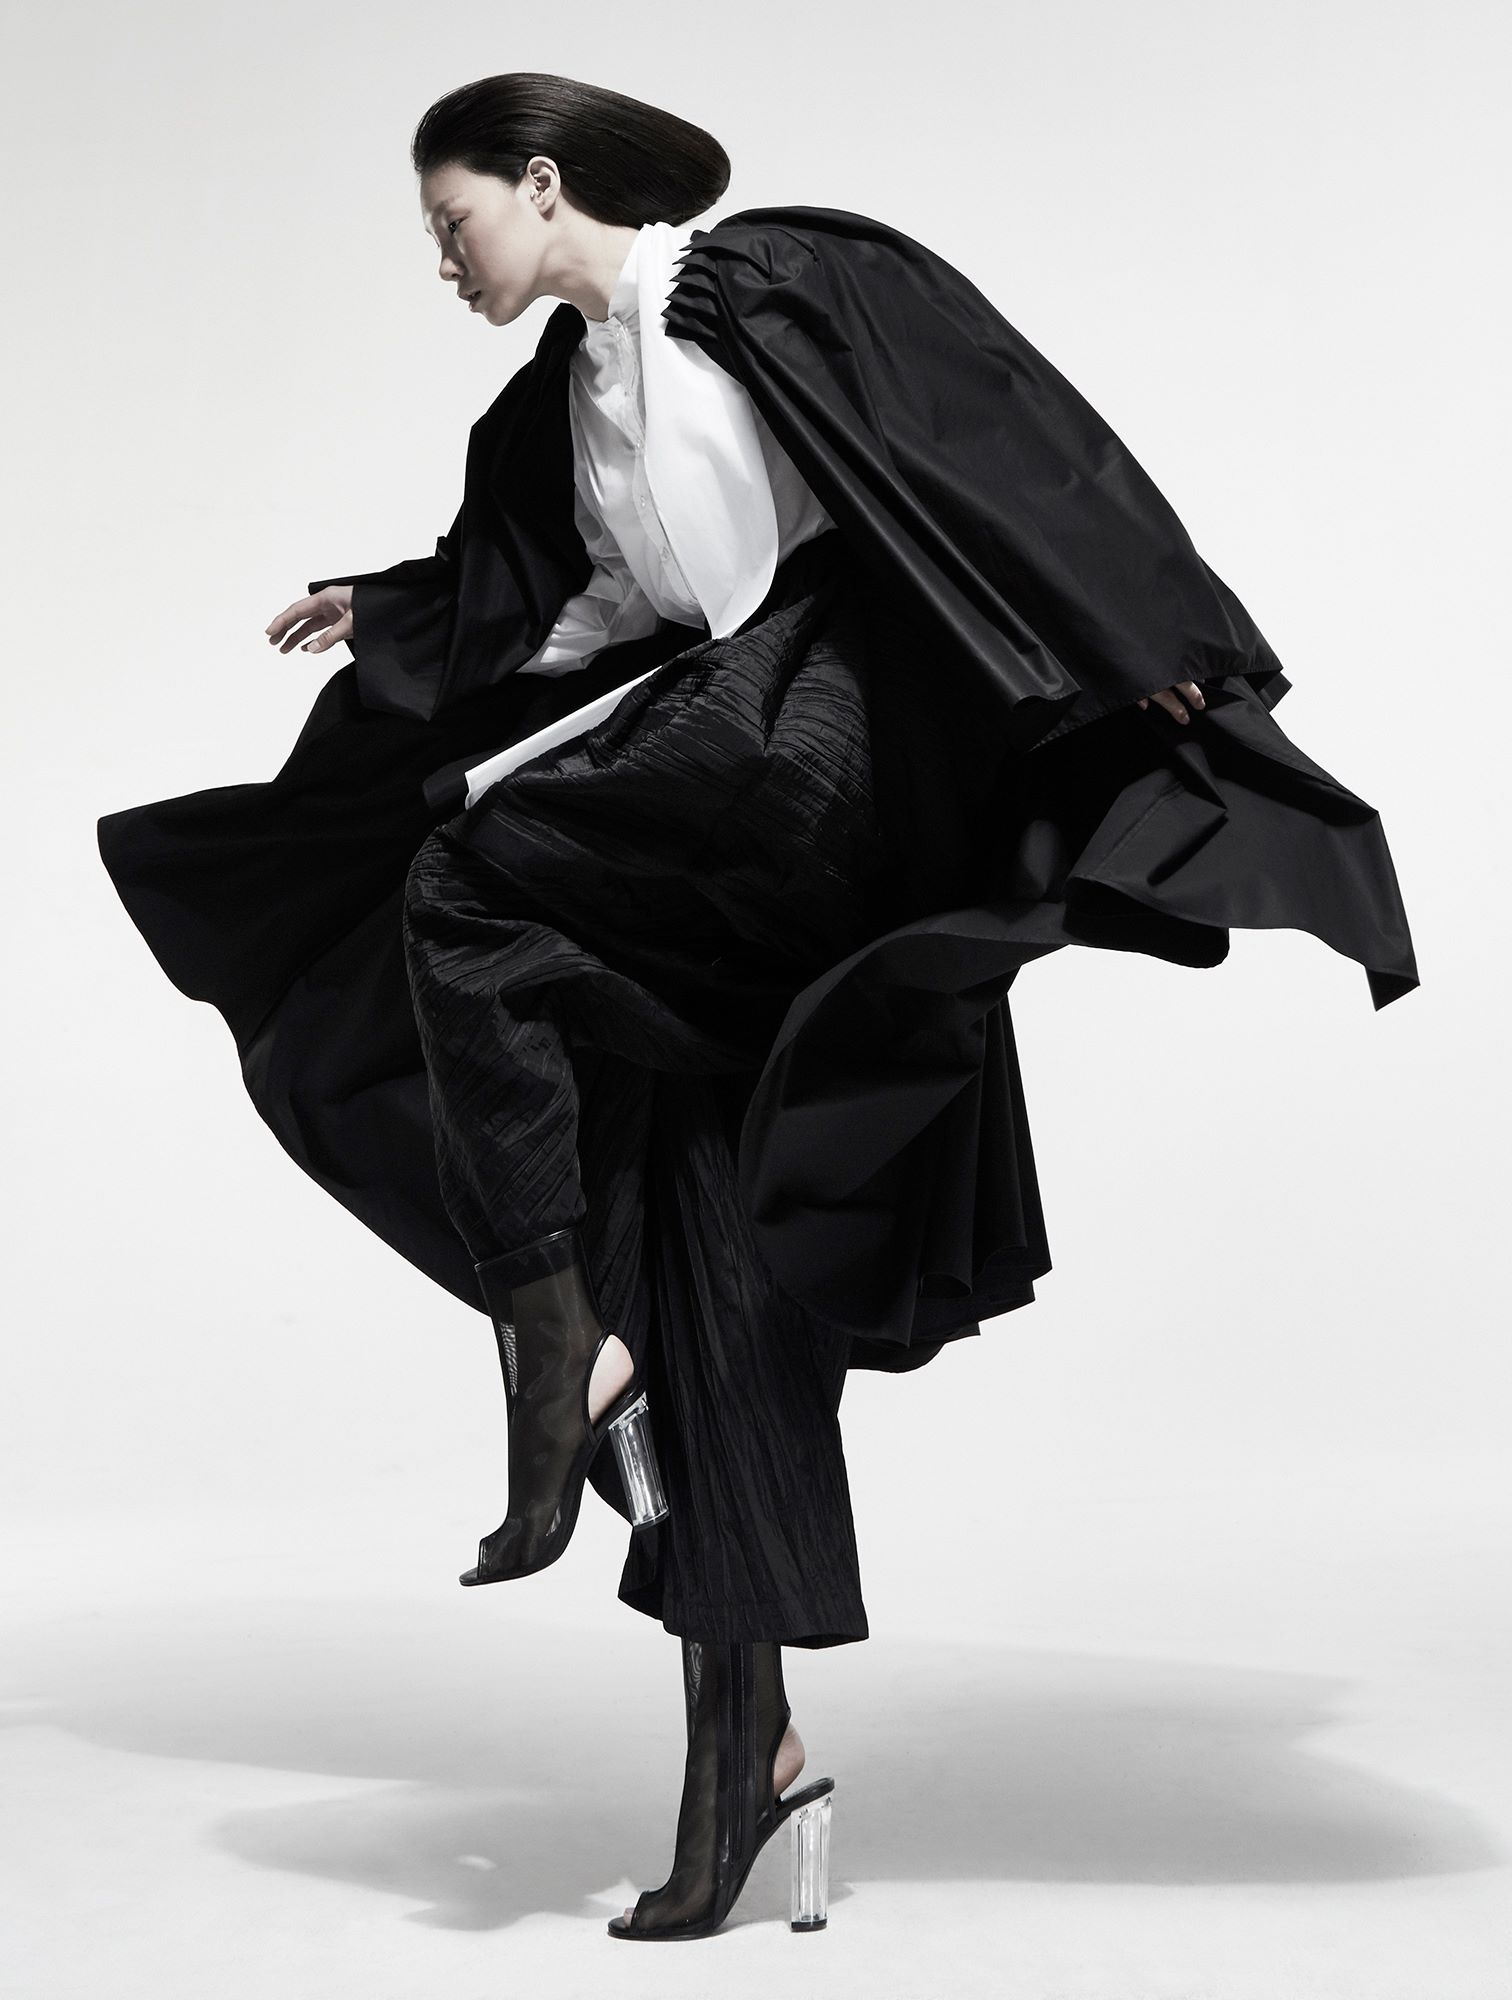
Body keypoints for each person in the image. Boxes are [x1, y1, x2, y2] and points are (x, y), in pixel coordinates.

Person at [96, 71, 1420, 1944]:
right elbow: (566, 614)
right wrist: (393, 613)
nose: (443, 259)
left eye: (451, 220)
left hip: (830, 736)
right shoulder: (558, 406)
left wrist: (1162, 653)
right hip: (725, 818)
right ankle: (749, 1763)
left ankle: (552, 1344)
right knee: (719, 1265)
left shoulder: (768, 277)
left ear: (540, 183)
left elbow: (1019, 440)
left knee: (466, 885)